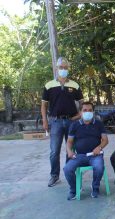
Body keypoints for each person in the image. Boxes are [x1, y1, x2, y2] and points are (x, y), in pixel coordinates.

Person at [41, 57, 84, 187]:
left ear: (68, 69)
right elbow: (44, 106)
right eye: (61, 67)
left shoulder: (74, 85)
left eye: (65, 67)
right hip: (55, 122)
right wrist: (44, 121)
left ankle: (69, 173)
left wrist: (78, 116)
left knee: (70, 149)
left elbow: (83, 104)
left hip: (71, 122)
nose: (63, 70)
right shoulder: (49, 86)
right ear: (56, 68)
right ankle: (54, 176)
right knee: (54, 151)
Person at [63, 102, 108, 200]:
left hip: (95, 155)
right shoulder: (74, 125)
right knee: (67, 169)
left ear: (93, 111)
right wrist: (69, 152)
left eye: (90, 110)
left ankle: (95, 187)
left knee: (99, 167)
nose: (88, 112)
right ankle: (74, 189)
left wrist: (99, 147)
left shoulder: (98, 124)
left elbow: (105, 140)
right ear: (80, 112)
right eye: (85, 110)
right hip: (80, 156)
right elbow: (69, 142)